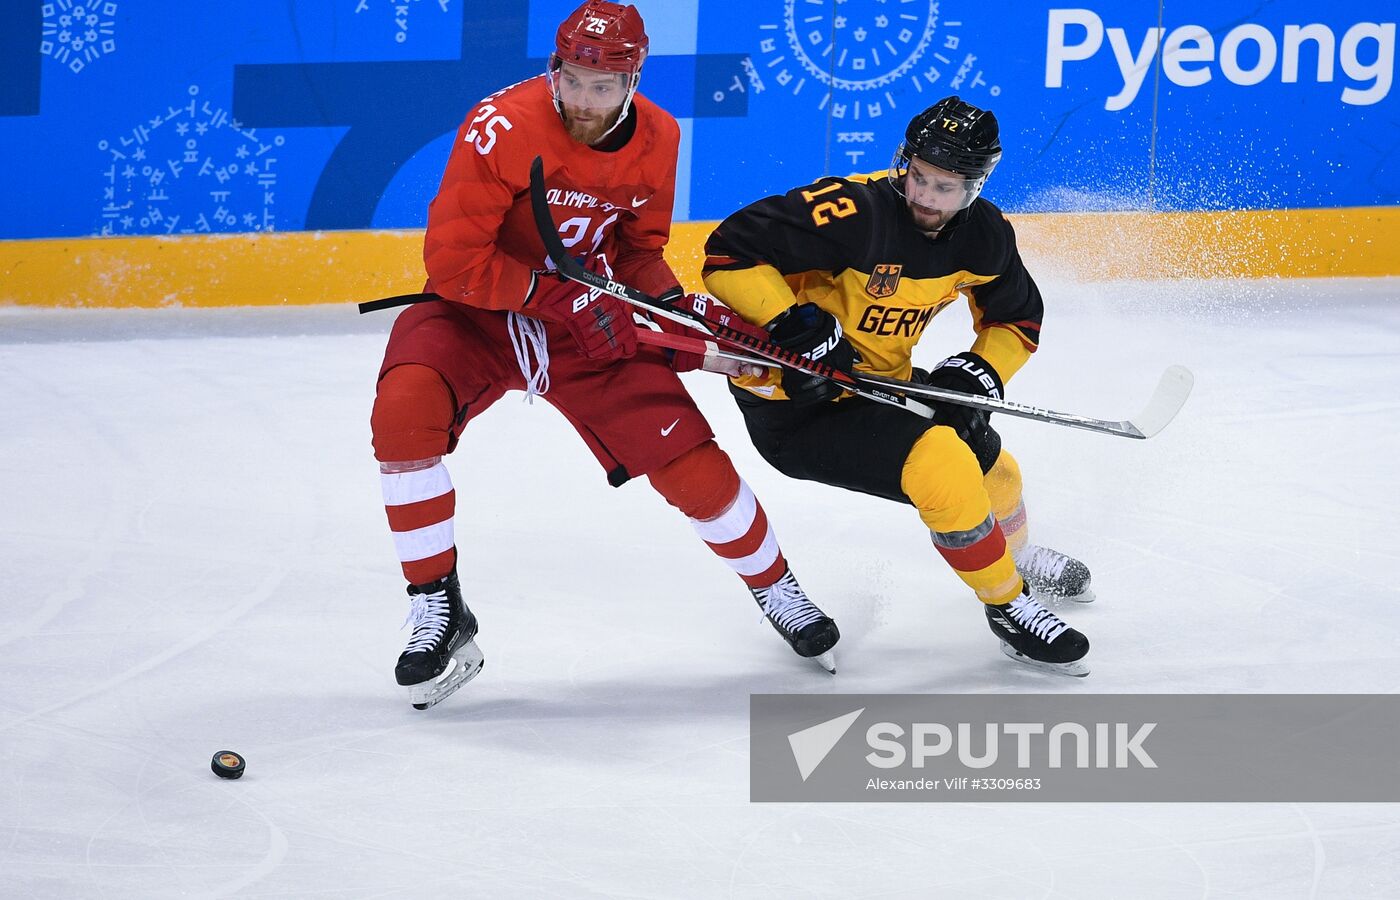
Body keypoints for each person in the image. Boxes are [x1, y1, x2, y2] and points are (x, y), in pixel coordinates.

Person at [369, 0, 838, 709]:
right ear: (554, 69)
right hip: (477, 313)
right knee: (403, 419)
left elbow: (637, 251)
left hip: (586, 323)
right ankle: (437, 602)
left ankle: (779, 590)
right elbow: (455, 262)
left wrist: (673, 311)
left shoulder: (660, 136)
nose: (583, 102)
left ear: (633, 81)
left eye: (602, 86)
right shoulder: (499, 126)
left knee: (691, 465)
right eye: (573, 80)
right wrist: (564, 299)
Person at [700, 96, 1093, 676]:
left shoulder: (983, 236)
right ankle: (1008, 605)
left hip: (879, 385)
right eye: (919, 177)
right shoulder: (851, 211)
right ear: (903, 162)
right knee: (942, 464)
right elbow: (728, 253)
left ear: (977, 186)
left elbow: (1018, 318)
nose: (926, 197)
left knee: (995, 468)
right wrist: (792, 322)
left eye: (946, 187)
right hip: (797, 406)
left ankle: (1017, 553)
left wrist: (982, 370)